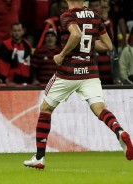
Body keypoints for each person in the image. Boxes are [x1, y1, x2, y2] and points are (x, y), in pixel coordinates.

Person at [24, 0, 133, 170]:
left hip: (69, 70)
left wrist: (62, 54)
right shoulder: (95, 16)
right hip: (90, 70)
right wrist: (87, 46)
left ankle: (39, 157)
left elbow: (75, 34)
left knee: (45, 108)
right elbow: (108, 45)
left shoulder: (67, 15)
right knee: (99, 108)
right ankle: (120, 131)